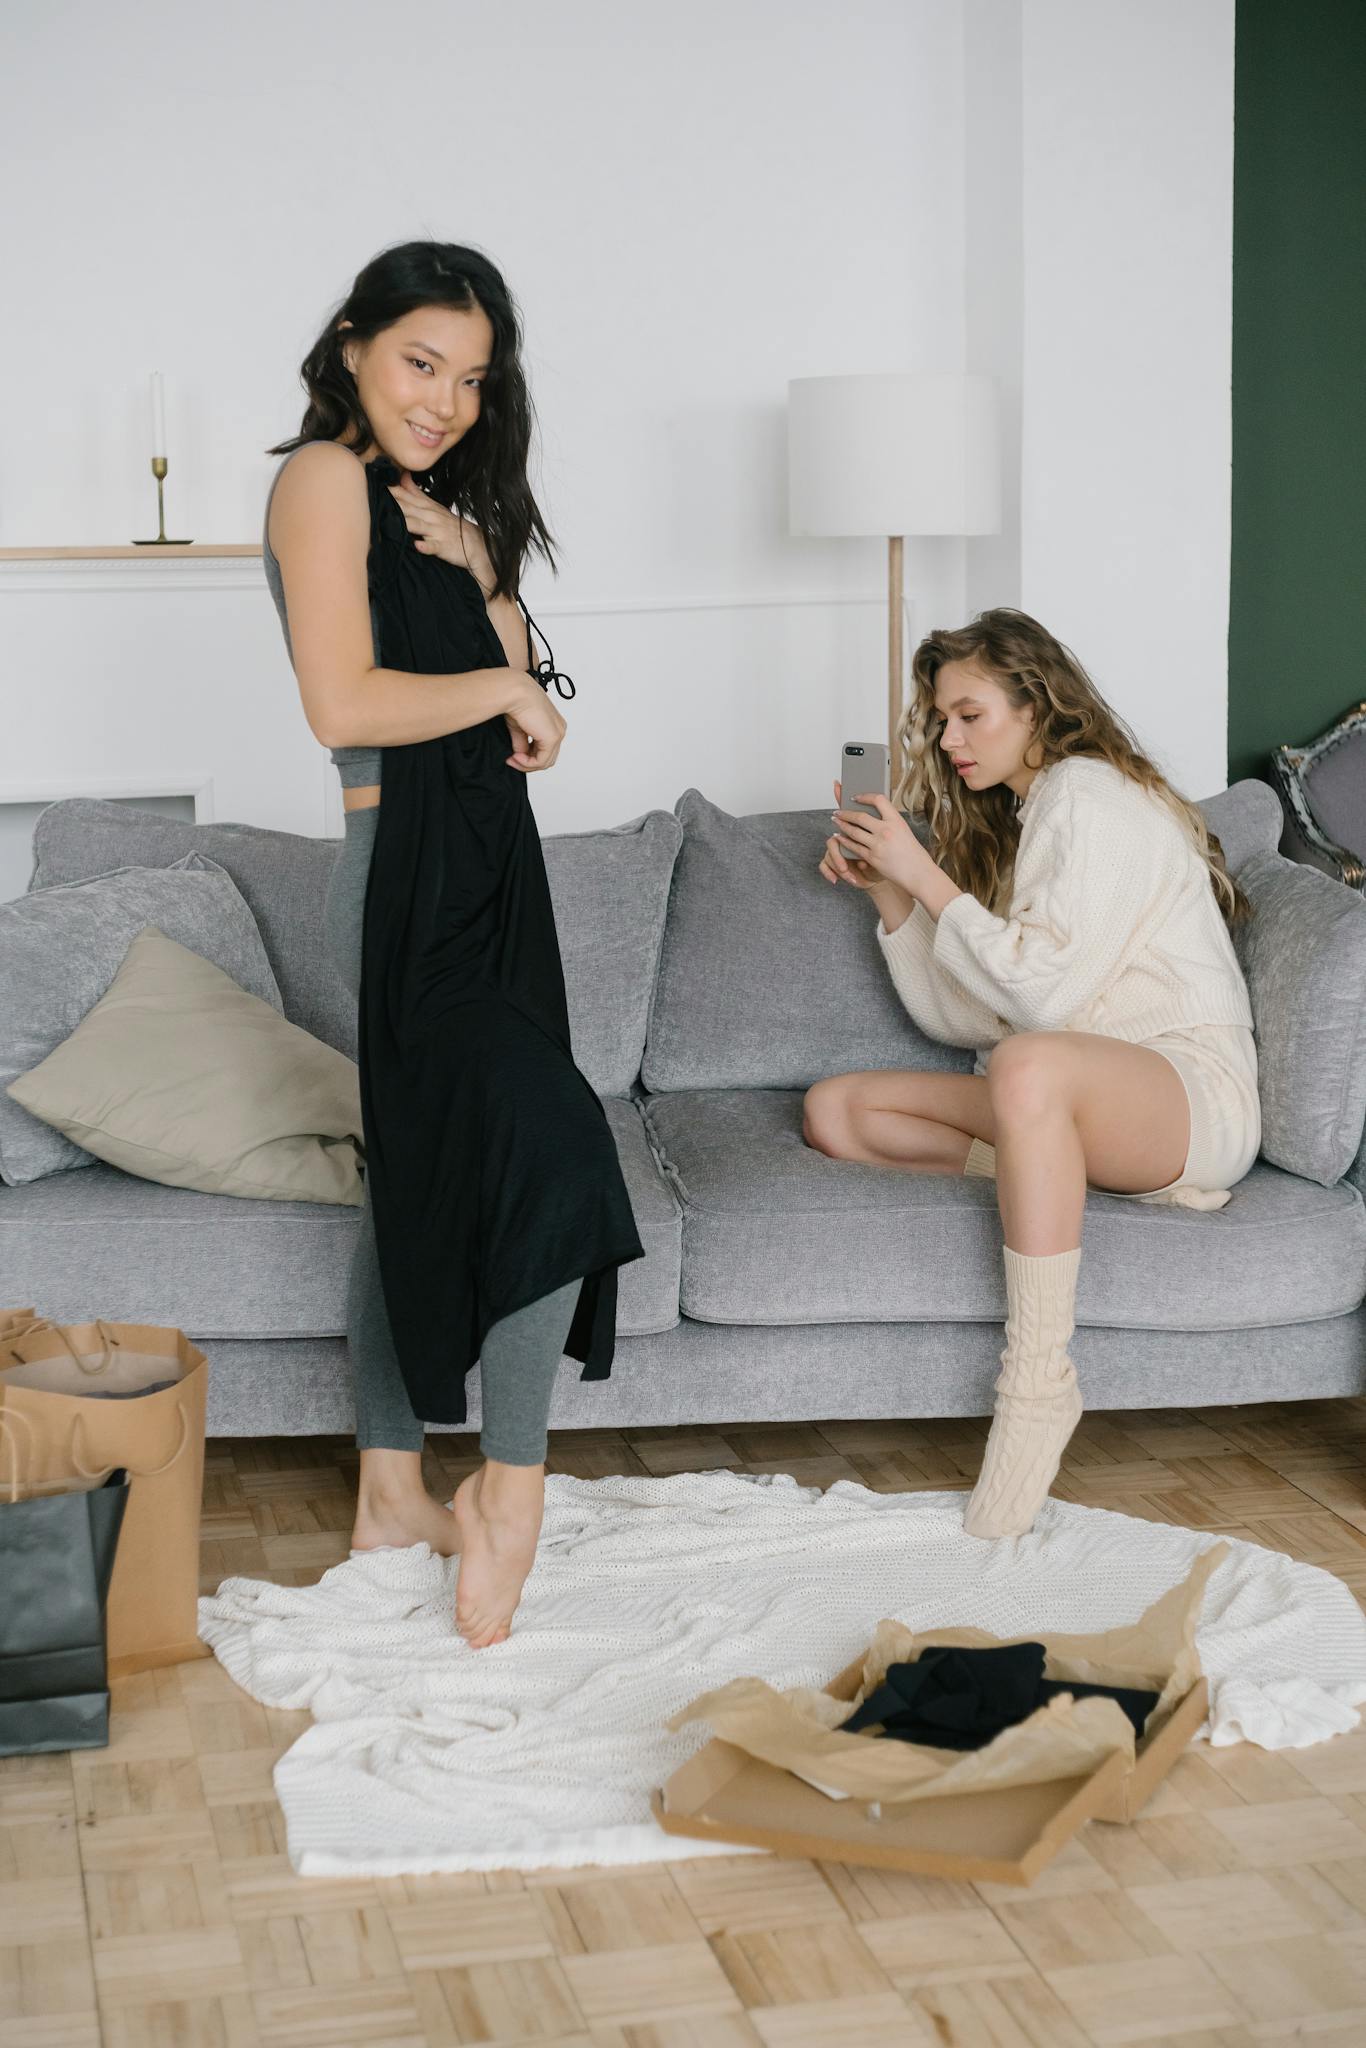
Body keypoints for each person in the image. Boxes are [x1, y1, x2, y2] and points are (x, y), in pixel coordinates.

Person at [261, 241, 644, 1646]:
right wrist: (503, 688)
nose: (444, 400)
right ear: (352, 344)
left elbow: (523, 717)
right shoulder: (319, 478)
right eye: (421, 362)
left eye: (472, 379)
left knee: (416, 1166)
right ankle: (510, 1487)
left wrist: (492, 581)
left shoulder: (433, 510)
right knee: (557, 1137)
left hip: (493, 868)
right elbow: (342, 703)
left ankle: (386, 1491)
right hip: (405, 878)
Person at [804, 608, 1260, 1539]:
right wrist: (890, 889)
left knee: (1029, 1065)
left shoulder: (1087, 794)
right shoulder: (1031, 815)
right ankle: (1047, 1173)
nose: (949, 739)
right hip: (1066, 1092)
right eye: (942, 720)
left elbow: (1041, 1005)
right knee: (838, 1110)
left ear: (1037, 704)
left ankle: (1038, 1384)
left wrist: (927, 876)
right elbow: (974, 1017)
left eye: (971, 715)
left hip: (1188, 1096)